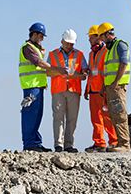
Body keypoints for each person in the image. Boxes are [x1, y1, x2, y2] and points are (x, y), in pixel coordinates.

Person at [20, 22, 68, 152]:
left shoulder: (35, 48)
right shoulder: (28, 48)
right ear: (34, 34)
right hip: (31, 87)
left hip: (37, 87)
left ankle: (36, 143)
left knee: (37, 115)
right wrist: (58, 69)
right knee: (30, 115)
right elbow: (39, 64)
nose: (43, 39)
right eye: (41, 36)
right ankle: (30, 144)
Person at [46, 29, 88, 153]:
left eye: (72, 44)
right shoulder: (52, 54)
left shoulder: (79, 54)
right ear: (62, 41)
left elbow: (85, 69)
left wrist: (83, 74)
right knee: (58, 117)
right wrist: (58, 71)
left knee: (72, 118)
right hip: (58, 89)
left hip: (74, 90)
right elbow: (47, 71)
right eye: (67, 43)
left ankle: (68, 145)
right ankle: (58, 145)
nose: (69, 46)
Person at [98, 22, 131, 152]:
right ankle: (120, 143)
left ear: (107, 34)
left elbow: (124, 63)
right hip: (111, 88)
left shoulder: (120, 45)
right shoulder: (109, 50)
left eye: (101, 37)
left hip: (117, 88)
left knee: (119, 114)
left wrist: (116, 81)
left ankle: (125, 145)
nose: (101, 40)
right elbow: (108, 72)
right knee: (113, 115)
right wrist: (103, 87)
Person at [83, 25, 117, 152]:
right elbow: (92, 72)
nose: (89, 40)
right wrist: (87, 88)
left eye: (91, 37)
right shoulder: (91, 53)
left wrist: (106, 89)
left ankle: (114, 141)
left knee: (107, 118)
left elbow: (106, 72)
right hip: (93, 91)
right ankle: (99, 143)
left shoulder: (106, 52)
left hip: (103, 91)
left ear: (99, 37)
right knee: (95, 119)